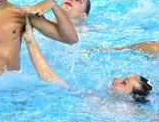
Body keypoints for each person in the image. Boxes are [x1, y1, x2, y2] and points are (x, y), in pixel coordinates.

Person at [23, 17, 152, 102]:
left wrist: (30, 41)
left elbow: (51, 79)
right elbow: (52, 79)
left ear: (130, 98)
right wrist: (30, 41)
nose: (116, 79)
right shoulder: (102, 100)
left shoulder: (107, 104)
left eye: (124, 83)